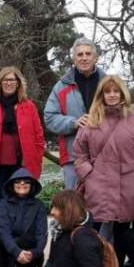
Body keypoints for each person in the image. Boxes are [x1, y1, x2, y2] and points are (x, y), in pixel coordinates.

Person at [73, 75, 134, 267]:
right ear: (102, 94)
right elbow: (79, 154)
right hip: (98, 187)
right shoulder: (92, 120)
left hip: (127, 187)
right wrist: (89, 175)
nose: (112, 95)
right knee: (92, 237)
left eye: (115, 91)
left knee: (122, 236)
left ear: (122, 93)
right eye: (107, 91)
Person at [0, 66, 45, 203]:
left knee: (20, 201)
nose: (9, 83)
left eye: (12, 80)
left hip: (21, 164)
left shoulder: (29, 106)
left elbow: (39, 136)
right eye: (5, 80)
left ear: (18, 83)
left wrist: (38, 158)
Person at [44, 37, 106, 189]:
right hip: (73, 157)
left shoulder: (108, 84)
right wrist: (73, 122)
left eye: (88, 54)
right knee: (73, 205)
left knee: (101, 205)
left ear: (95, 57)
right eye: (79, 55)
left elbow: (121, 114)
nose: (84, 58)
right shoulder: (61, 86)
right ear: (73, 58)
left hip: (105, 156)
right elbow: (49, 117)